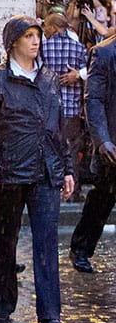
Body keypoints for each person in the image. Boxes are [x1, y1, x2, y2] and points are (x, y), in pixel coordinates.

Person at [0, 15, 74, 323]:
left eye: (38, 35)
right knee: (6, 241)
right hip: (10, 171)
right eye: (28, 36)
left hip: (45, 172)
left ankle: (50, 313)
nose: (35, 41)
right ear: (13, 41)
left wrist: (67, 168)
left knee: (47, 243)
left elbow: (58, 128)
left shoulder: (48, 79)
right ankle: (3, 304)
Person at [70, 32, 116, 274]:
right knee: (101, 201)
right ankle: (81, 248)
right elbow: (94, 99)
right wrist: (103, 140)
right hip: (113, 144)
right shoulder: (104, 52)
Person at [40, 13, 90, 196]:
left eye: (46, 26)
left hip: (48, 107)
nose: (44, 30)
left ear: (53, 27)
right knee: (71, 147)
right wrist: (77, 75)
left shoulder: (43, 48)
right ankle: (73, 189)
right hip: (71, 108)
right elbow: (90, 70)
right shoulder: (78, 48)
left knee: (51, 147)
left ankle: (53, 187)